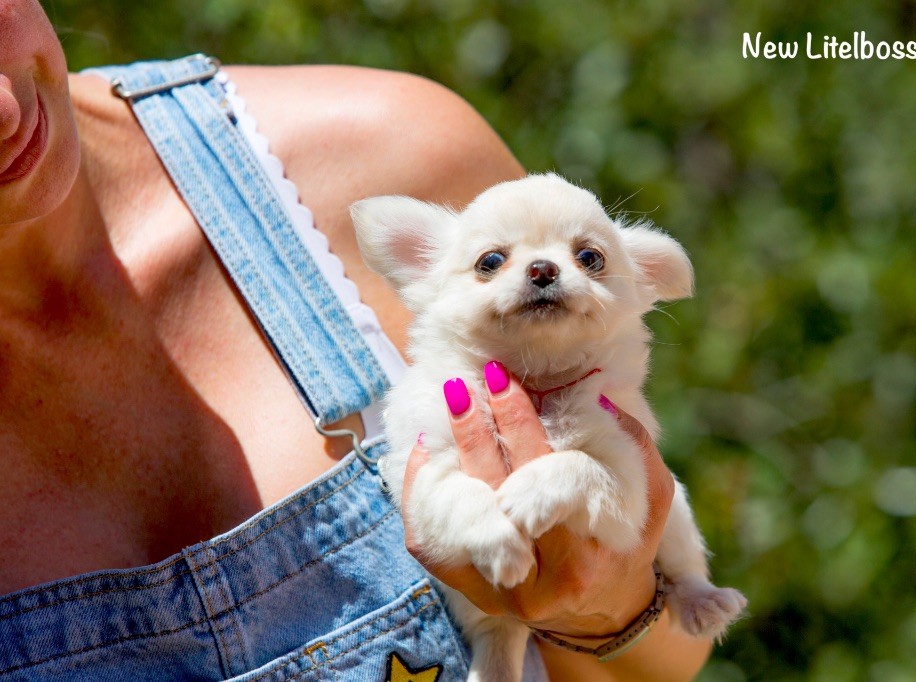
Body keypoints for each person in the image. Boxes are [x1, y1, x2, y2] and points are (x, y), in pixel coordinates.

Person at [0, 1, 713, 678]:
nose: (4, 109)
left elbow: (669, 660)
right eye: (492, 263)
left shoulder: (391, 149)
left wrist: (608, 600)